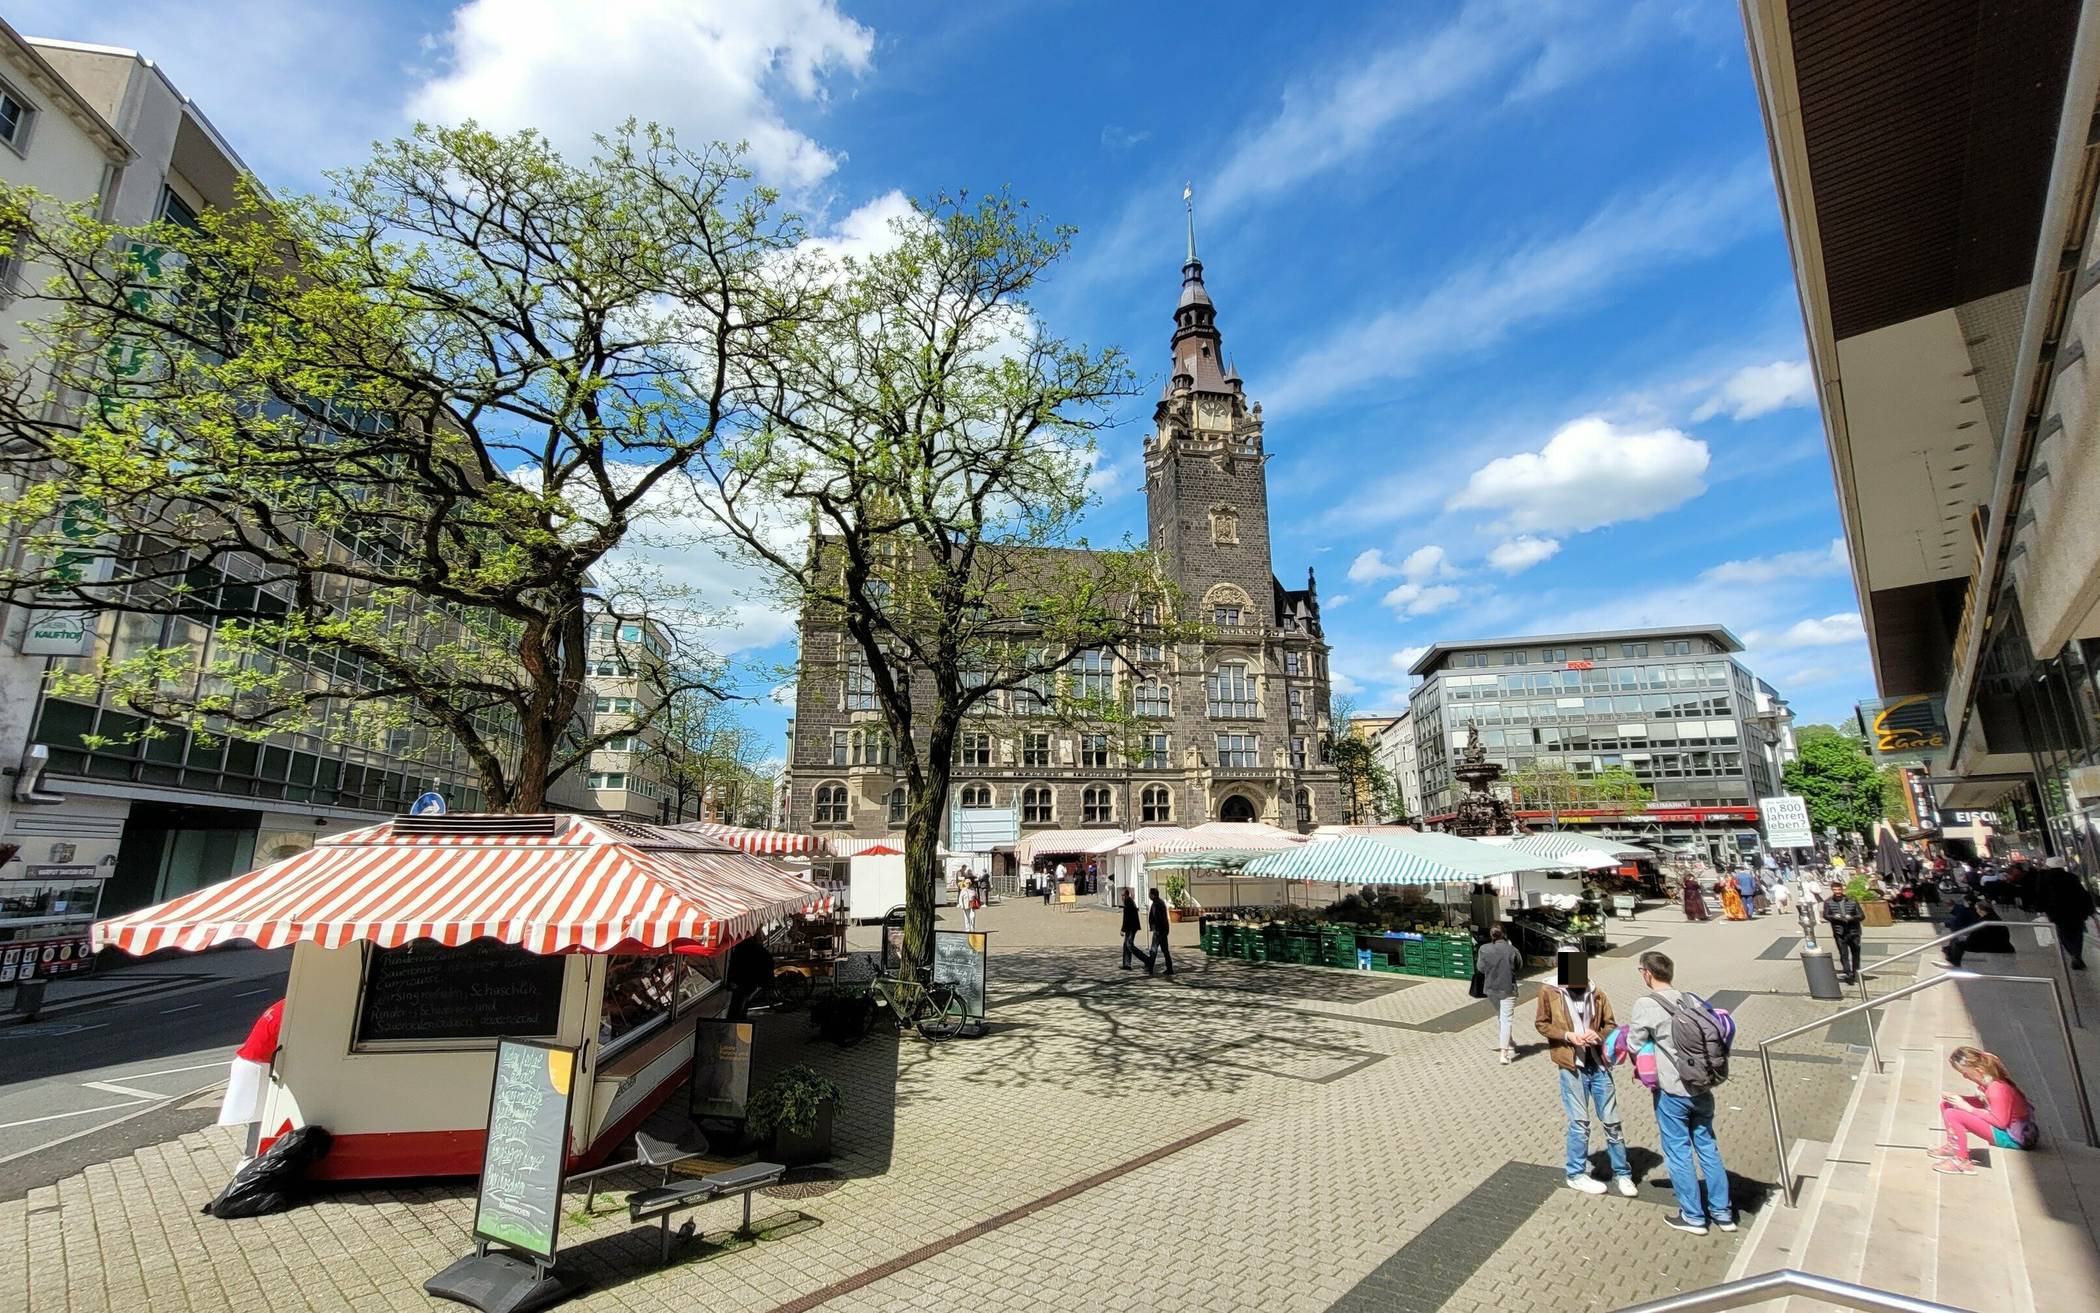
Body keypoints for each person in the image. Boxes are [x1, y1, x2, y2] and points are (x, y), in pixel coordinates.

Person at [1629, 950, 1735, 1235]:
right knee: (1708, 1147)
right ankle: (1723, 1213)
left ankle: (1693, 1215)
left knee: (1678, 1151)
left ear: (1647, 974)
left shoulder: (1646, 1004)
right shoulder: (1692, 999)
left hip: (1672, 1090)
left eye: (1641, 971)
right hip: (1702, 1086)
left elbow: (1634, 1044)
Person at [1535, 949, 1634, 1198]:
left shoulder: (1596, 992)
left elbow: (1610, 1024)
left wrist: (1597, 1036)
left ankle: (1623, 1173)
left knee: (1612, 1121)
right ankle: (1576, 1174)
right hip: (1571, 1066)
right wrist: (1568, 1036)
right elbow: (1542, 1023)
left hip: (1599, 1064)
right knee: (1579, 1124)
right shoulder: (1549, 991)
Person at [1933, 1047, 2037, 1174]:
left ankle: (1961, 1160)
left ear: (1979, 1071)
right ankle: (1953, 1146)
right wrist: (1959, 1099)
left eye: (1965, 1073)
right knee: (1948, 1105)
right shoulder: (1990, 1085)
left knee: (1953, 1114)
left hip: (2011, 1137)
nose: (1965, 1077)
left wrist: (1967, 1107)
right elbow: (1987, 1104)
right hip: (2006, 1131)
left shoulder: (1997, 1089)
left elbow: (2000, 1122)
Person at [219, 998, 284, 1158]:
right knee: (262, 1116)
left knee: (262, 1115)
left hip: (256, 1063)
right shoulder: (292, 1011)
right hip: (258, 1066)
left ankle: (252, 1158)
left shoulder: (286, 1005)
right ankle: (250, 1161)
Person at [1477, 925, 1522, 1064]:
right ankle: (1504, 1052)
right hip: (1508, 988)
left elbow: (1480, 968)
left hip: (1491, 989)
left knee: (1501, 1015)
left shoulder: (1483, 949)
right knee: (1506, 1019)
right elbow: (1519, 966)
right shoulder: (1512, 950)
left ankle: (1510, 1040)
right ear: (1504, 934)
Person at [2040, 862, 2094, 970]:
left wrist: (2042, 909)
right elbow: (2082, 893)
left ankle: (2073, 955)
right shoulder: (2072, 877)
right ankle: (2077, 954)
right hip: (2075, 910)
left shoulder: (2044, 879)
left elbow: (2041, 895)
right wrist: (2088, 909)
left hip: (2057, 912)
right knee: (2078, 934)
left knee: (2064, 934)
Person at [725, 930, 776, 1020]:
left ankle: (734, 1025)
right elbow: (769, 964)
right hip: (751, 984)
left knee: (737, 1008)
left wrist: (731, 980)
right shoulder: (759, 949)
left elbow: (733, 965)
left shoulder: (740, 948)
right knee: (742, 1007)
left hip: (740, 984)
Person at [1823, 882, 1865, 983]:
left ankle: (1856, 972)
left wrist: (1852, 918)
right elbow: (1826, 915)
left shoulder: (1852, 901)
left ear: (1842, 890)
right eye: (1835, 890)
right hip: (1840, 933)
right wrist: (1834, 917)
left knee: (1856, 953)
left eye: (1839, 890)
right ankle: (1848, 972)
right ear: (1832, 890)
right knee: (1843, 954)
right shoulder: (1828, 902)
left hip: (1853, 931)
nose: (1837, 892)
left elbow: (1861, 916)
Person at [1941, 897, 1982, 969]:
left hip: (1971, 929)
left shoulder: (1959, 909)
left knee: (1957, 937)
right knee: (1955, 937)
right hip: (1970, 927)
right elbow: (1956, 920)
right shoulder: (1959, 908)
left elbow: (1957, 922)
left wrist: (1946, 924)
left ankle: (1953, 959)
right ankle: (1950, 954)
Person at [1120, 889, 1155, 973]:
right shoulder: (1130, 901)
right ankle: (1126, 964)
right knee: (1126, 944)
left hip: (1131, 927)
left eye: (1122, 896)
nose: (1121, 897)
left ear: (1126, 895)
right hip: (1131, 927)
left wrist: (1122, 930)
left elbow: (1126, 918)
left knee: (1129, 945)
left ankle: (1147, 960)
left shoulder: (1128, 902)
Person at [1147, 886, 1174, 976]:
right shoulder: (1160, 902)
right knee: (1165, 950)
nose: (1149, 895)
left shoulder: (1157, 904)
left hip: (1159, 930)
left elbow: (1157, 918)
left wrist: (1155, 928)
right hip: (1163, 930)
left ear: (1153, 895)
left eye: (1150, 894)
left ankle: (1150, 968)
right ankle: (1169, 968)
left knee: (1154, 949)